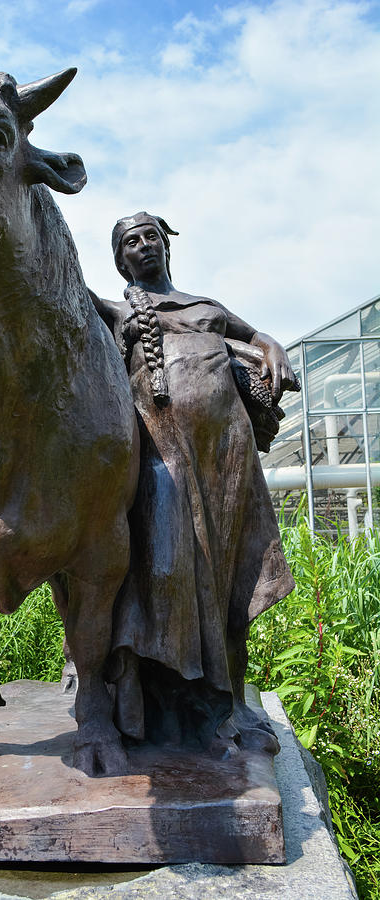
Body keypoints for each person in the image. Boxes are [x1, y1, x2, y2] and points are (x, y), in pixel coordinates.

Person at [94, 212, 299, 755]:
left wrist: (271, 348)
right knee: (164, 571)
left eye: (151, 237)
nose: (144, 246)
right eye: (131, 242)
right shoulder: (118, 314)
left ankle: (226, 706)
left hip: (226, 458)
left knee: (232, 576)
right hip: (162, 455)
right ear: (120, 259)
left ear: (166, 246)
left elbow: (255, 336)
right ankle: (167, 705)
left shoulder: (204, 307)